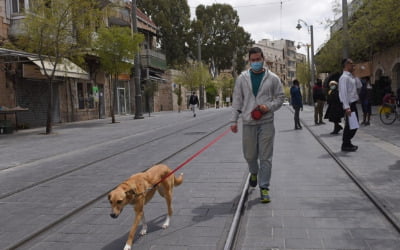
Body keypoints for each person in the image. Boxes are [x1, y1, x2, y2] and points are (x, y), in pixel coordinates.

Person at [230, 47, 285, 203]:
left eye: (258, 60)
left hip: (266, 122)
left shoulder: (273, 78)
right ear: (249, 61)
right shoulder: (242, 78)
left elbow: (280, 98)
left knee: (266, 157)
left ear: (263, 60)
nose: (255, 62)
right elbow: (237, 100)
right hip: (248, 122)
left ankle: (264, 187)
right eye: (252, 60)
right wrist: (233, 121)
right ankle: (253, 172)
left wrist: (269, 106)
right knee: (249, 155)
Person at [338, 58, 362, 152]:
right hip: (349, 105)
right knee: (351, 125)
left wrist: (355, 75)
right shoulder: (344, 78)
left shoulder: (351, 77)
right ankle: (345, 144)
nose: (353, 65)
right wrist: (346, 107)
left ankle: (347, 142)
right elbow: (343, 93)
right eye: (351, 64)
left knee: (353, 125)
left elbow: (359, 86)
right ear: (346, 65)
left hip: (353, 104)